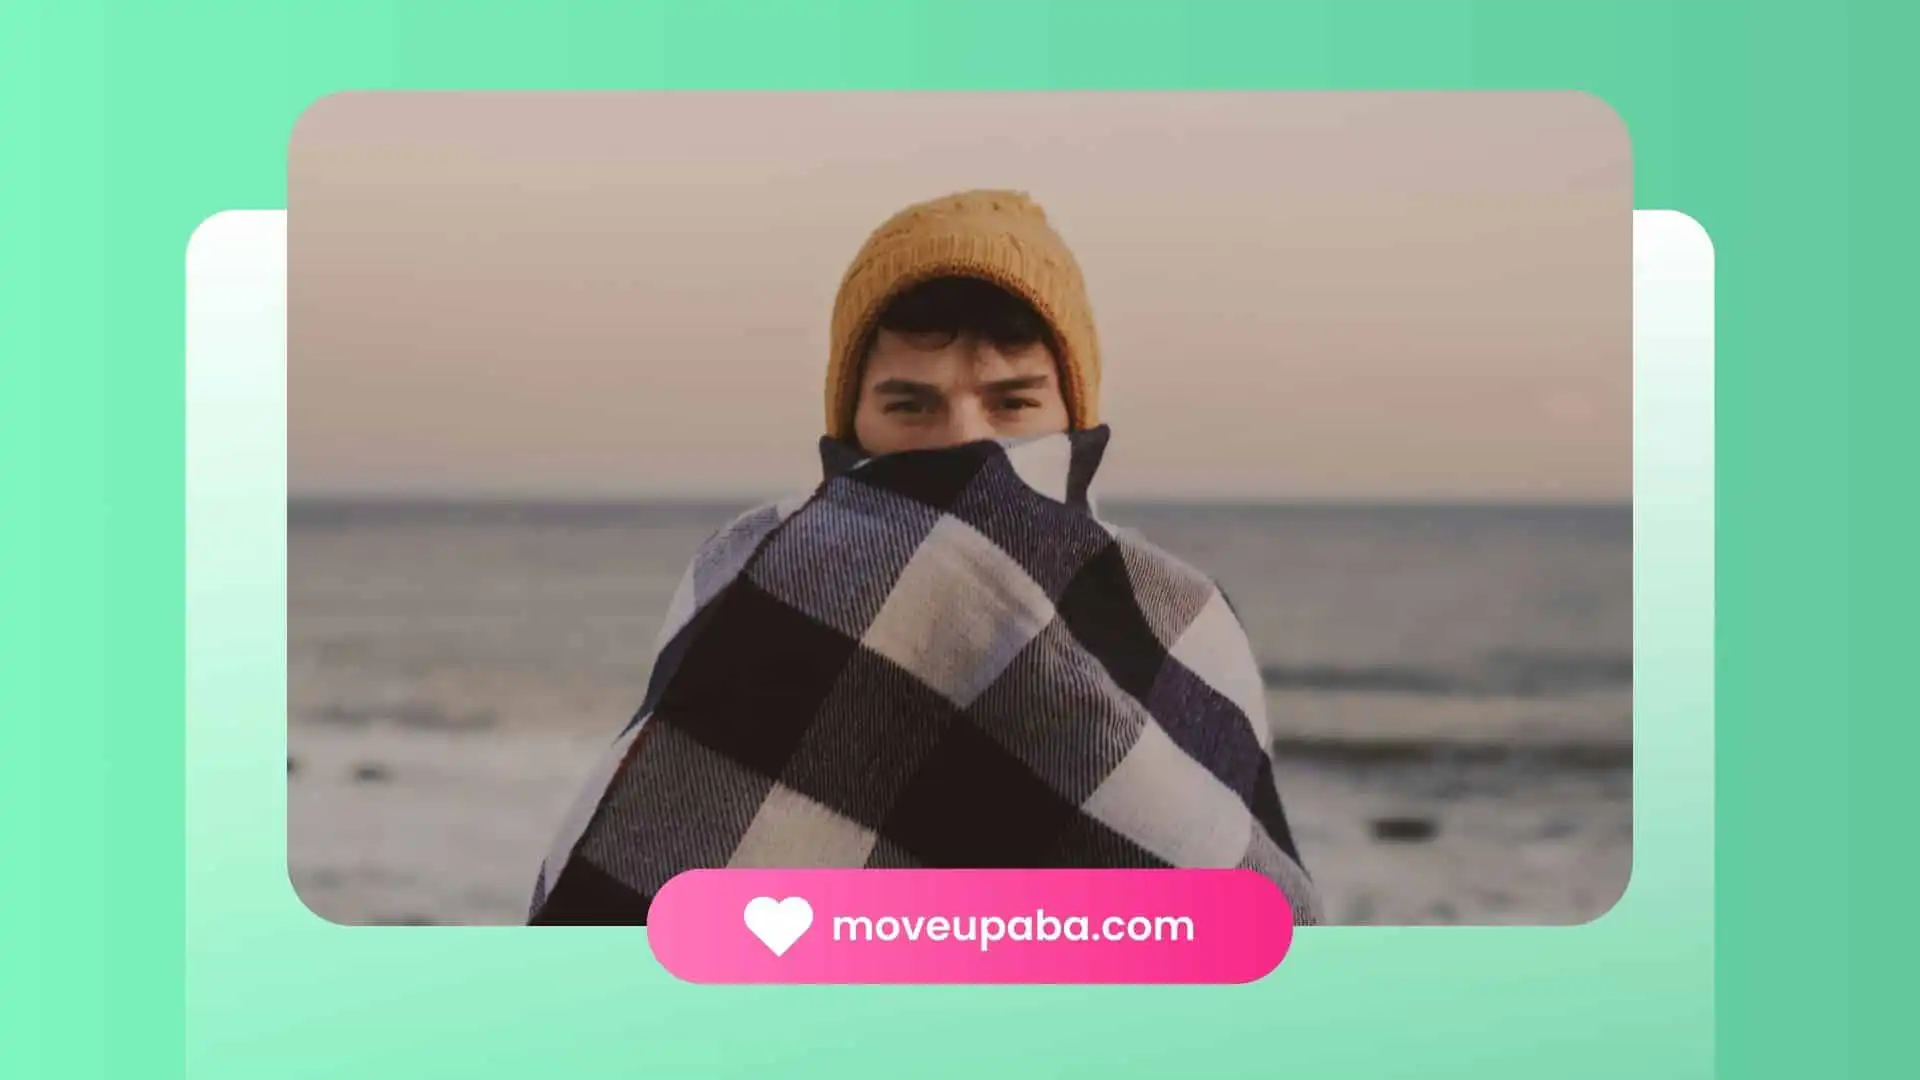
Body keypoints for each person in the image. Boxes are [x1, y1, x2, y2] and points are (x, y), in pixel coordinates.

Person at [529, 190, 1320, 925]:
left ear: (1076, 413)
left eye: (1012, 403)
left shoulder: (1174, 612)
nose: (964, 444)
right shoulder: (757, 569)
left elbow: (1237, 915)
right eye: (911, 406)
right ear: (850, 424)